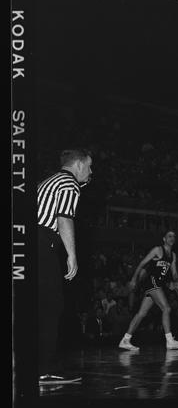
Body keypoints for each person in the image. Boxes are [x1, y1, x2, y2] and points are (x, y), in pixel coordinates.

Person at [37, 148, 93, 385]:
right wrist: (72, 254)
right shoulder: (70, 184)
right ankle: (44, 369)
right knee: (51, 306)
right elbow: (64, 218)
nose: (91, 171)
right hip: (41, 243)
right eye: (89, 166)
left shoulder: (47, 181)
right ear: (78, 165)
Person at [118, 230, 178, 351]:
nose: (172, 238)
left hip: (158, 284)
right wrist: (134, 279)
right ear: (164, 239)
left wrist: (177, 282)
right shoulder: (157, 250)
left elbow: (174, 273)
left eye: (173, 236)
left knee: (141, 314)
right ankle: (169, 341)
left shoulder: (173, 255)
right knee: (166, 308)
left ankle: (125, 339)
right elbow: (142, 263)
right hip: (152, 282)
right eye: (169, 236)